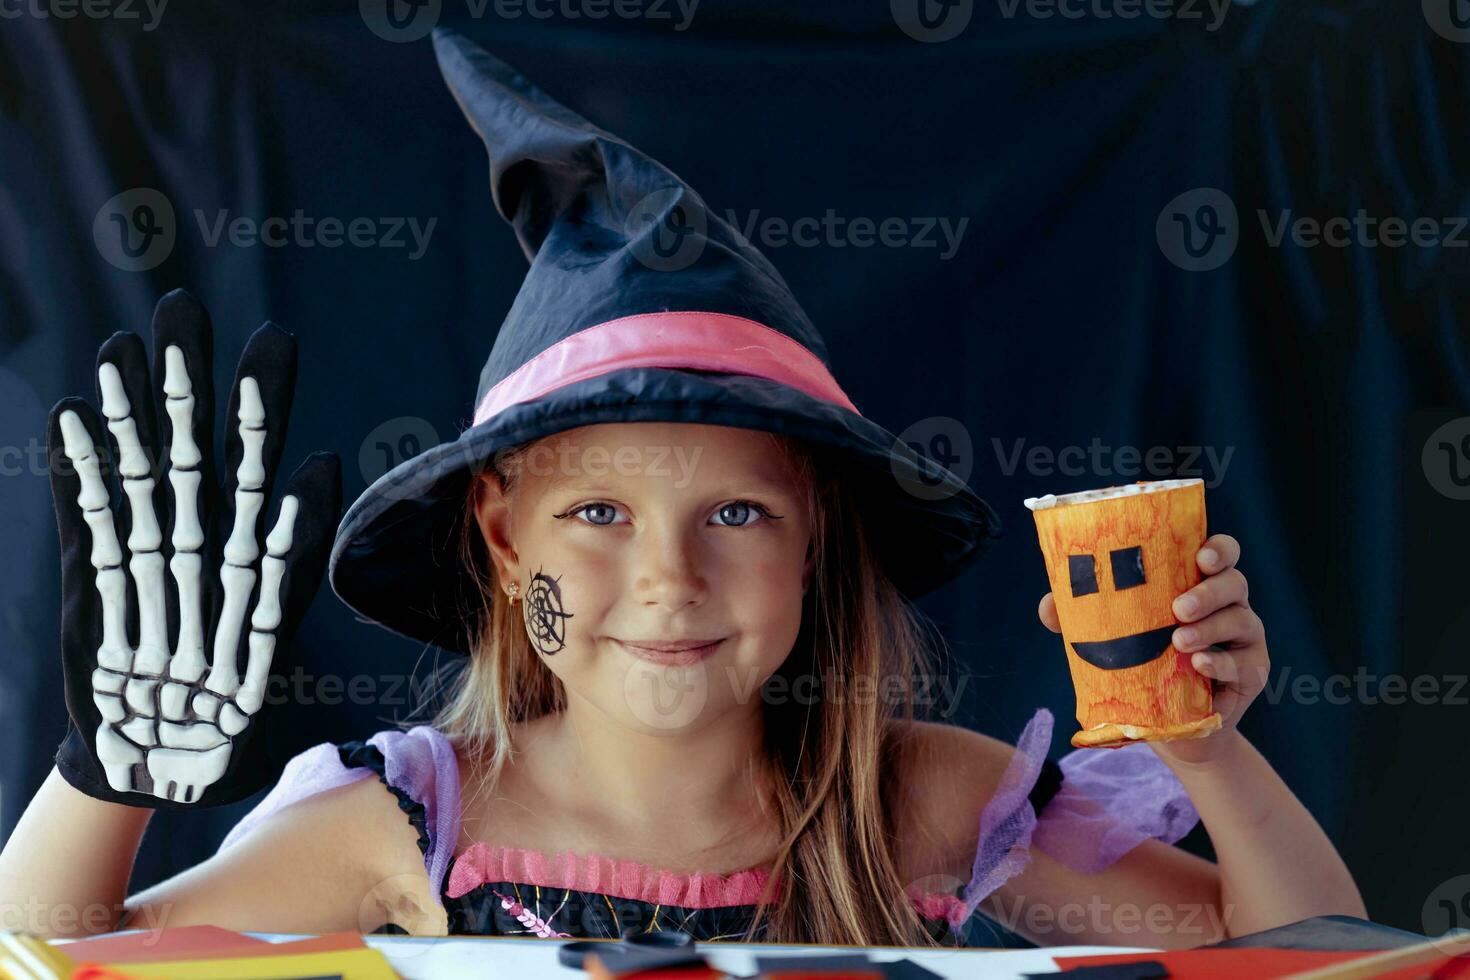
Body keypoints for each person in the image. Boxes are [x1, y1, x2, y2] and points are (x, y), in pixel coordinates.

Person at [0, 28, 1363, 948]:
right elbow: (55, 968)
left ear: (817, 536)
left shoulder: (921, 805)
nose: (666, 578)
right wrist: (101, 779)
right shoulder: (405, 823)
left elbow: (1313, 961)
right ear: (497, 535)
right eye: (596, 514)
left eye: (738, 513)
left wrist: (1203, 751)